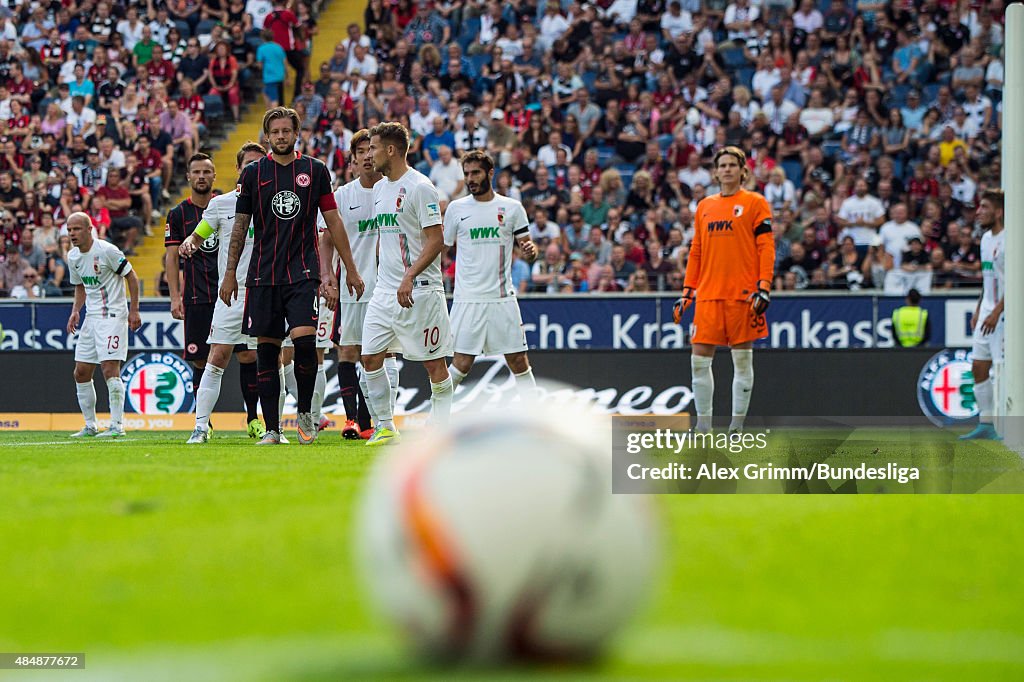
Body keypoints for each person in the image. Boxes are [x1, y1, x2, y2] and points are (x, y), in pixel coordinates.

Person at [224, 107, 363, 446]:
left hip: (302, 272)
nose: (282, 136)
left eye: (287, 130)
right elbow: (240, 227)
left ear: (296, 133)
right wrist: (230, 273)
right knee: (267, 351)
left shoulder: (314, 170)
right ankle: (272, 429)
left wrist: (350, 268)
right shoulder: (253, 174)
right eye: (276, 131)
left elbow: (333, 221)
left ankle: (304, 415)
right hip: (262, 275)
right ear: (267, 135)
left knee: (304, 342)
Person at [361, 121, 453, 446]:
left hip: (421, 291)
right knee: (370, 357)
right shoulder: (379, 189)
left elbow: (436, 239)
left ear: (390, 150)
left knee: (434, 364)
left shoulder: (421, 187)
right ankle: (385, 425)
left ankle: (441, 427)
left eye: (372, 148)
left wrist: (410, 275)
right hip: (385, 292)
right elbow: (384, 239)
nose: (368, 155)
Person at [673, 146, 774, 433]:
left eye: (733, 165)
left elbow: (766, 248)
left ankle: (736, 427)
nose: (727, 169)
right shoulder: (704, 206)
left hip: (743, 296)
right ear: (715, 171)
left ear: (743, 171)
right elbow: (696, 252)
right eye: (723, 165)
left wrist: (763, 287)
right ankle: (703, 425)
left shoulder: (755, 203)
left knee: (742, 361)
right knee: (698, 362)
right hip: (707, 296)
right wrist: (687, 292)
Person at [177, 143, 269, 444]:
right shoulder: (222, 205)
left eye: (259, 163)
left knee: (274, 359)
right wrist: (189, 243)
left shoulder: (279, 203)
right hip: (232, 294)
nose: (253, 169)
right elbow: (198, 234)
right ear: (239, 169)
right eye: (248, 164)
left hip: (269, 293)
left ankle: (274, 427)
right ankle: (201, 427)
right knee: (217, 356)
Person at [443, 150, 538, 398]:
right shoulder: (456, 209)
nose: (471, 178)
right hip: (467, 299)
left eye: (476, 172)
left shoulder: (512, 208)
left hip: (501, 298)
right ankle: (435, 419)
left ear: (490, 173)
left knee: (518, 361)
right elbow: (441, 247)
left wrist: (531, 251)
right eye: (467, 174)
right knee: (461, 364)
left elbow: (528, 249)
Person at [316, 129, 392, 440]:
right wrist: (328, 276)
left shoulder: (393, 191)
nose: (367, 156)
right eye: (361, 151)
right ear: (353, 160)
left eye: (371, 150)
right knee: (348, 351)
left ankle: (373, 420)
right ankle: (352, 420)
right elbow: (326, 240)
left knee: (380, 355)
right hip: (351, 289)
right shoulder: (343, 196)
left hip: (386, 288)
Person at [65, 212, 142, 438]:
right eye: (69, 230)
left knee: (109, 369)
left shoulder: (107, 251)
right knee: (81, 372)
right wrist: (75, 311)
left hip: (113, 316)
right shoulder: (73, 257)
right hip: (91, 318)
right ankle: (90, 425)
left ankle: (117, 426)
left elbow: (132, 277)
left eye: (77, 229)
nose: (72, 234)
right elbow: (80, 286)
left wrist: (134, 309)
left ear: (89, 229)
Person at [164, 154, 219, 422]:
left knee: (247, 355)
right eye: (196, 171)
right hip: (196, 296)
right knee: (199, 360)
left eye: (206, 172)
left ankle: (253, 419)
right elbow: (171, 257)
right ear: (188, 177)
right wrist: (175, 297)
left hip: (229, 295)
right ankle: (203, 421)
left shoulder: (225, 206)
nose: (201, 176)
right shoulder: (178, 214)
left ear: (214, 176)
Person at [961, 189, 1004, 441]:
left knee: (1001, 369)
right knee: (978, 367)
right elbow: (988, 279)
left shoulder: (1011, 239)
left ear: (998, 212)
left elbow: (1014, 283)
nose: (978, 212)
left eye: (984, 207)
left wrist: (997, 312)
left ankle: (1006, 425)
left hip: (1003, 314)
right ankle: (986, 424)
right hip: (986, 311)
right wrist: (980, 309)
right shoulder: (986, 239)